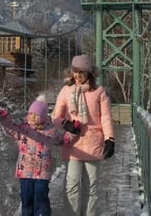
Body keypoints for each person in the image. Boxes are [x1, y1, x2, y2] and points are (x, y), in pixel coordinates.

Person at [51, 54, 115, 216]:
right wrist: (66, 124)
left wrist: (110, 139)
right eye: (75, 71)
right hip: (73, 144)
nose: (78, 76)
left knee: (91, 187)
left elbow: (106, 118)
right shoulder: (66, 90)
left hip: (93, 143)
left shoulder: (99, 92)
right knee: (71, 185)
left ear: (89, 73)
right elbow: (55, 117)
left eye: (81, 72)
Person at [0, 94, 70, 216]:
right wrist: (5, 119)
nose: (32, 117)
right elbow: (11, 129)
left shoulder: (51, 130)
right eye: (30, 114)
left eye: (35, 115)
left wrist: (66, 139)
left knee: (41, 197)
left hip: (43, 172)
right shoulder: (24, 129)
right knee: (26, 198)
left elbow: (59, 140)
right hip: (25, 170)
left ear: (42, 116)